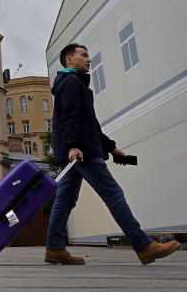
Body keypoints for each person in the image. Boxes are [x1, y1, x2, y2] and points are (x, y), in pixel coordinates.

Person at [46, 43, 180, 265]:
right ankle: (144, 245)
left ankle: (54, 248)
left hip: (79, 150)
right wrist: (73, 145)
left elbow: (91, 125)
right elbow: (69, 117)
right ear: (69, 60)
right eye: (84, 55)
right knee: (113, 194)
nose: (89, 59)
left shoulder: (75, 84)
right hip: (83, 152)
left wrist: (111, 148)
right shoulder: (71, 82)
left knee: (65, 200)